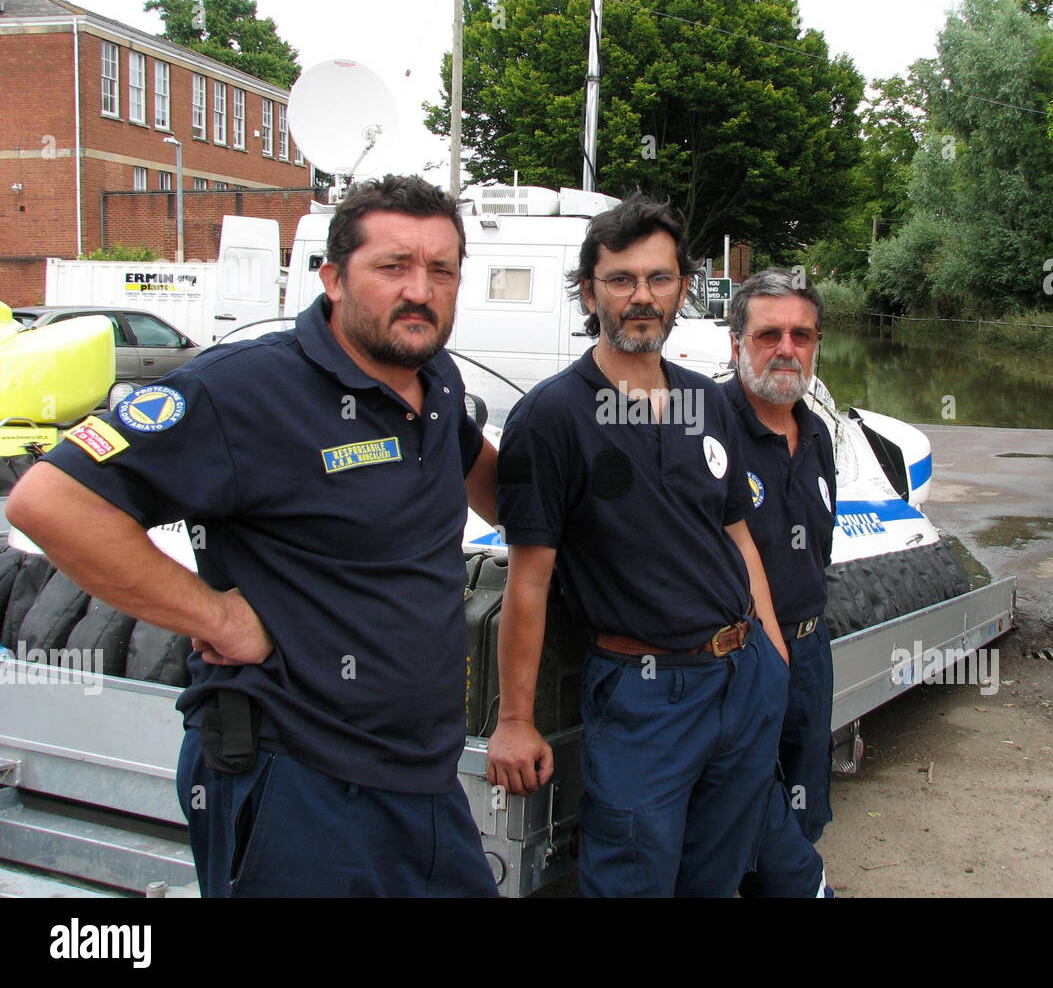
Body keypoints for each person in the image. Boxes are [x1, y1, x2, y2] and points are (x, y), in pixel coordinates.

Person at [7, 174, 500, 897]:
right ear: (332, 277)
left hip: (423, 779)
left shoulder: (435, 380)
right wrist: (215, 617)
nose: (419, 290)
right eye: (392, 266)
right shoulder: (241, 392)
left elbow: (481, 471)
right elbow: (50, 501)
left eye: (441, 270)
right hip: (299, 782)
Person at [486, 194, 795, 897]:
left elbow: (736, 532)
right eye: (620, 279)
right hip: (643, 696)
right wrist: (513, 720)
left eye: (659, 278)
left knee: (716, 876)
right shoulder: (552, 416)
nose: (641, 297)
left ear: (684, 288)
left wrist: (771, 653)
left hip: (741, 678)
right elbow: (529, 581)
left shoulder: (709, 400)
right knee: (631, 880)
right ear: (589, 290)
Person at [724, 270, 837, 897]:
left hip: (811, 651)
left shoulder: (818, 434)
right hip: (739, 659)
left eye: (802, 334)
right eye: (769, 334)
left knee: (802, 800)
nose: (787, 348)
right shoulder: (709, 430)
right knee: (738, 812)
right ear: (736, 343)